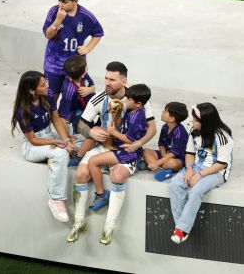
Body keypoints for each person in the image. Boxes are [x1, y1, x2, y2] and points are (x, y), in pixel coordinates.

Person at [67, 61, 156, 244]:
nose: (107, 82)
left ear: (124, 81)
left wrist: (136, 144)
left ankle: (109, 226)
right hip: (103, 147)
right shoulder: (99, 98)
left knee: (118, 174)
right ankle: (78, 222)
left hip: (125, 149)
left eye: (112, 80)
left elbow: (152, 129)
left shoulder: (137, 98)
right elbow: (81, 124)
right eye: (106, 78)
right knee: (81, 174)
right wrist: (90, 132)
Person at [11, 71, 76, 223]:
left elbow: (55, 119)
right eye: (43, 85)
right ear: (31, 90)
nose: (47, 85)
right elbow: (33, 140)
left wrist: (66, 139)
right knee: (61, 153)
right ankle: (56, 199)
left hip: (49, 135)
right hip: (33, 146)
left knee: (77, 139)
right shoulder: (23, 110)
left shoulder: (48, 95)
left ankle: (53, 160)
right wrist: (56, 143)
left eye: (46, 82)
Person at [169, 103, 233, 244]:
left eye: (196, 121)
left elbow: (221, 164)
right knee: (175, 184)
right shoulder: (195, 131)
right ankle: (182, 226)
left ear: (207, 122)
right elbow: (190, 153)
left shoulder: (223, 136)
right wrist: (190, 170)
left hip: (217, 171)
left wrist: (199, 175)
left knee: (196, 190)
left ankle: (182, 229)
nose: (193, 122)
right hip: (197, 165)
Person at [88, 84, 151, 224]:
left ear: (139, 104)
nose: (126, 101)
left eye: (128, 99)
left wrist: (114, 133)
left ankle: (101, 194)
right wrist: (114, 115)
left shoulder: (138, 117)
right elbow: (122, 123)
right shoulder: (132, 110)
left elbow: (131, 140)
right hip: (121, 149)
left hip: (126, 153)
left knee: (93, 162)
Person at [43, 0, 104, 99]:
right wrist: (58, 21)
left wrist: (88, 48)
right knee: (50, 97)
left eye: (64, 2)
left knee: (72, 98)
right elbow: (48, 35)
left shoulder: (86, 16)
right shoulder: (54, 11)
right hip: (53, 65)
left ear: (75, 1)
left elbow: (98, 33)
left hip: (74, 67)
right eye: (59, 1)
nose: (60, 5)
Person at [58, 55, 96, 166]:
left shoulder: (84, 76)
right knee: (84, 131)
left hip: (88, 107)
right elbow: (62, 116)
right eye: (86, 68)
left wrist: (89, 89)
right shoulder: (69, 90)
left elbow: (93, 86)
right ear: (82, 72)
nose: (87, 69)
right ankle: (75, 150)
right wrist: (67, 138)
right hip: (76, 113)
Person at [142, 102, 188, 182]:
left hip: (177, 159)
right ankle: (160, 170)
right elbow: (161, 144)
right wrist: (163, 156)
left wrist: (157, 163)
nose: (162, 112)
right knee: (146, 151)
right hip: (165, 155)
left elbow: (172, 154)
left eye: (165, 111)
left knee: (172, 163)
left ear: (172, 119)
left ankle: (151, 165)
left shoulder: (180, 133)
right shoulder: (165, 127)